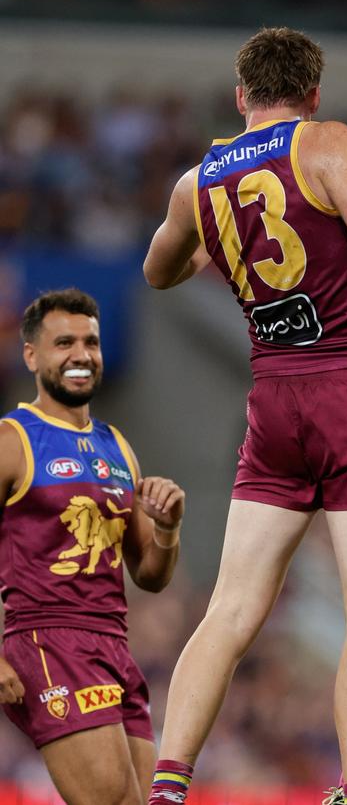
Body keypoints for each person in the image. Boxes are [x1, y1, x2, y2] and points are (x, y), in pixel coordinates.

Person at [143, 26, 347, 805]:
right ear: (313, 94)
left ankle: (167, 786)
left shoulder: (197, 179)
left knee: (229, 610)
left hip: (273, 400)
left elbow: (158, 270)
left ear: (240, 98)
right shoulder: (327, 141)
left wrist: (211, 246)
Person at [0, 288, 185, 805]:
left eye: (91, 342)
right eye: (64, 342)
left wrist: (168, 526)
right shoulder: (13, 439)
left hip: (113, 646)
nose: (81, 354)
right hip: (47, 640)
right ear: (32, 354)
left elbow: (149, 574)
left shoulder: (117, 445)